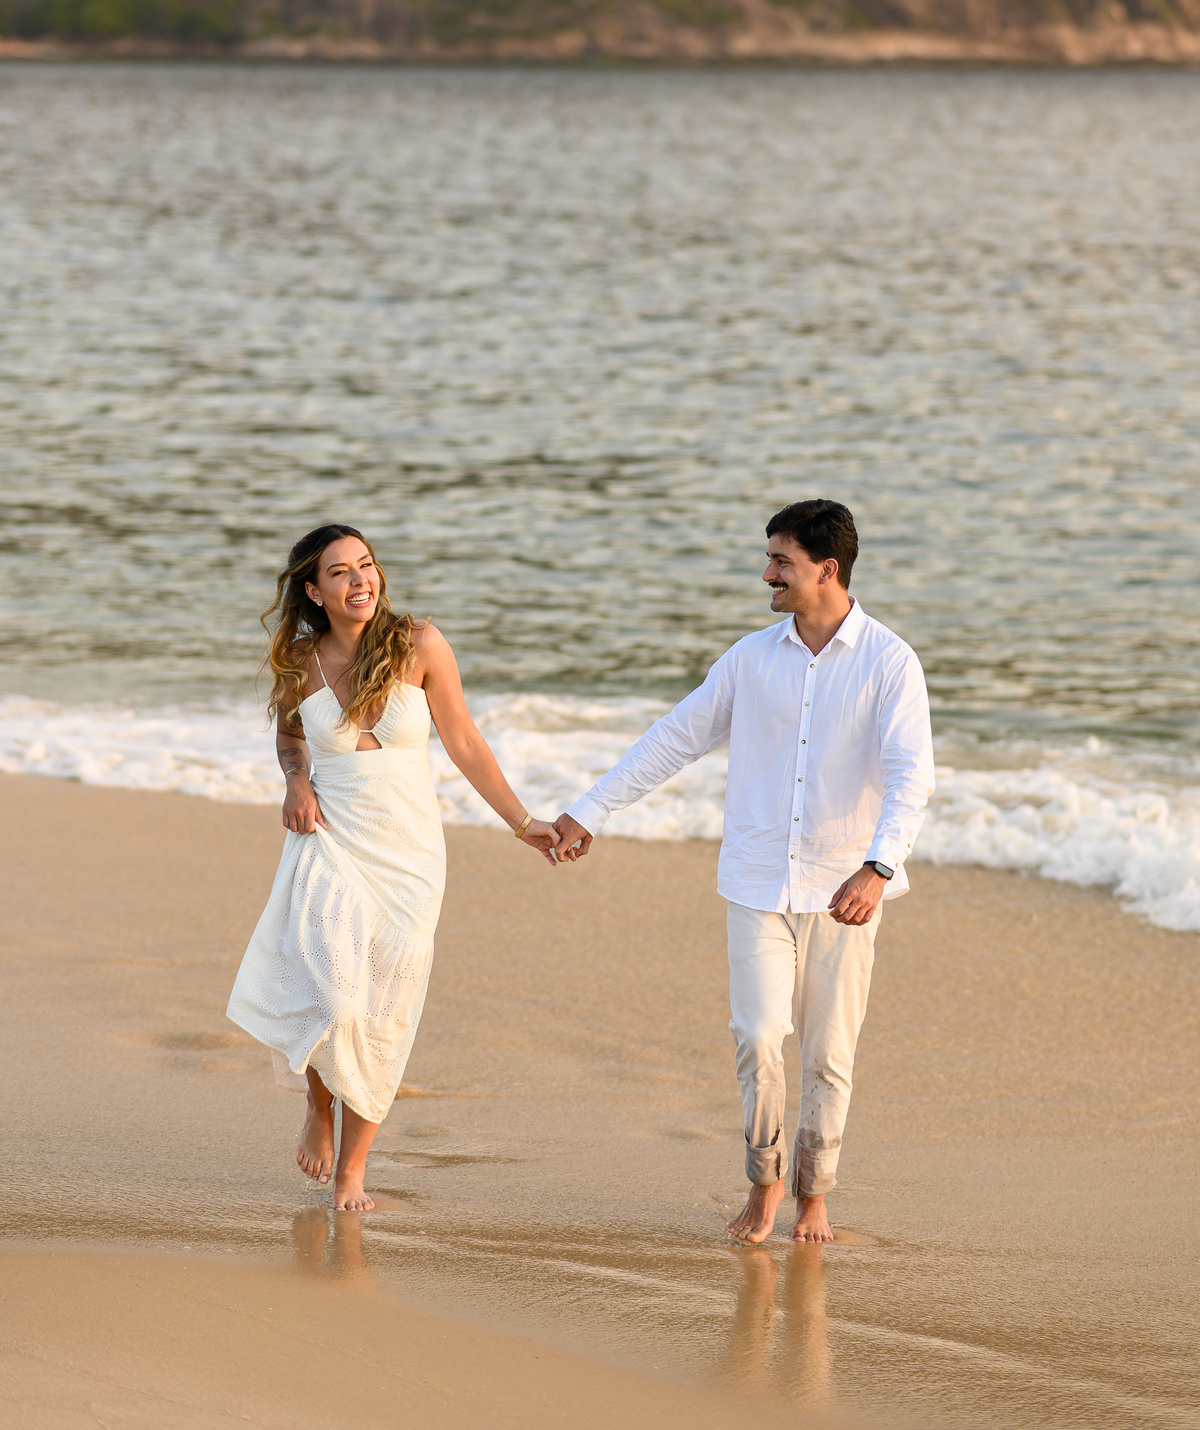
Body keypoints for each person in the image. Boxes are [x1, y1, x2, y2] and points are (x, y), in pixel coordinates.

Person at [553, 500, 934, 1245]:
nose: (767, 574)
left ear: (827, 570)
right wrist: (588, 809)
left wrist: (878, 868)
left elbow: (909, 777)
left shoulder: (891, 662)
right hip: (757, 883)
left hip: (844, 892)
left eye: (780, 562)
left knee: (830, 1054)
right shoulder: (749, 658)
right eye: (770, 559)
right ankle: (764, 1184)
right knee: (758, 1035)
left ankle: (814, 1195)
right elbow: (673, 740)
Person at [227, 523, 560, 1212]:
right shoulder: (300, 659)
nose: (360, 581)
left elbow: (464, 740)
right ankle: (319, 1104)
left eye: (367, 565)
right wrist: (296, 782)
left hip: (410, 857)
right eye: (341, 572)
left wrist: (523, 823)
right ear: (313, 591)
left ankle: (353, 1170)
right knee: (336, 995)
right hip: (332, 841)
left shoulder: (420, 644)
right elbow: (292, 736)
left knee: (385, 1011)